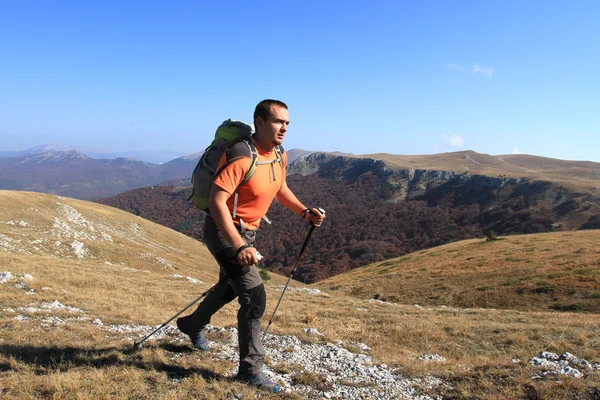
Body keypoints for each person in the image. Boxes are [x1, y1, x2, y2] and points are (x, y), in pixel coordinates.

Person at [177, 99, 325, 393]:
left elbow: (279, 188)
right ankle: (250, 371)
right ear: (259, 121)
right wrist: (237, 245)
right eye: (278, 121)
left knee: (232, 286)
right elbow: (216, 202)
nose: (284, 128)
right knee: (255, 296)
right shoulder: (242, 155)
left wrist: (303, 211)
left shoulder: (277, 154)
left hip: (250, 233)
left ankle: (192, 325)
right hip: (224, 232)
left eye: (287, 123)